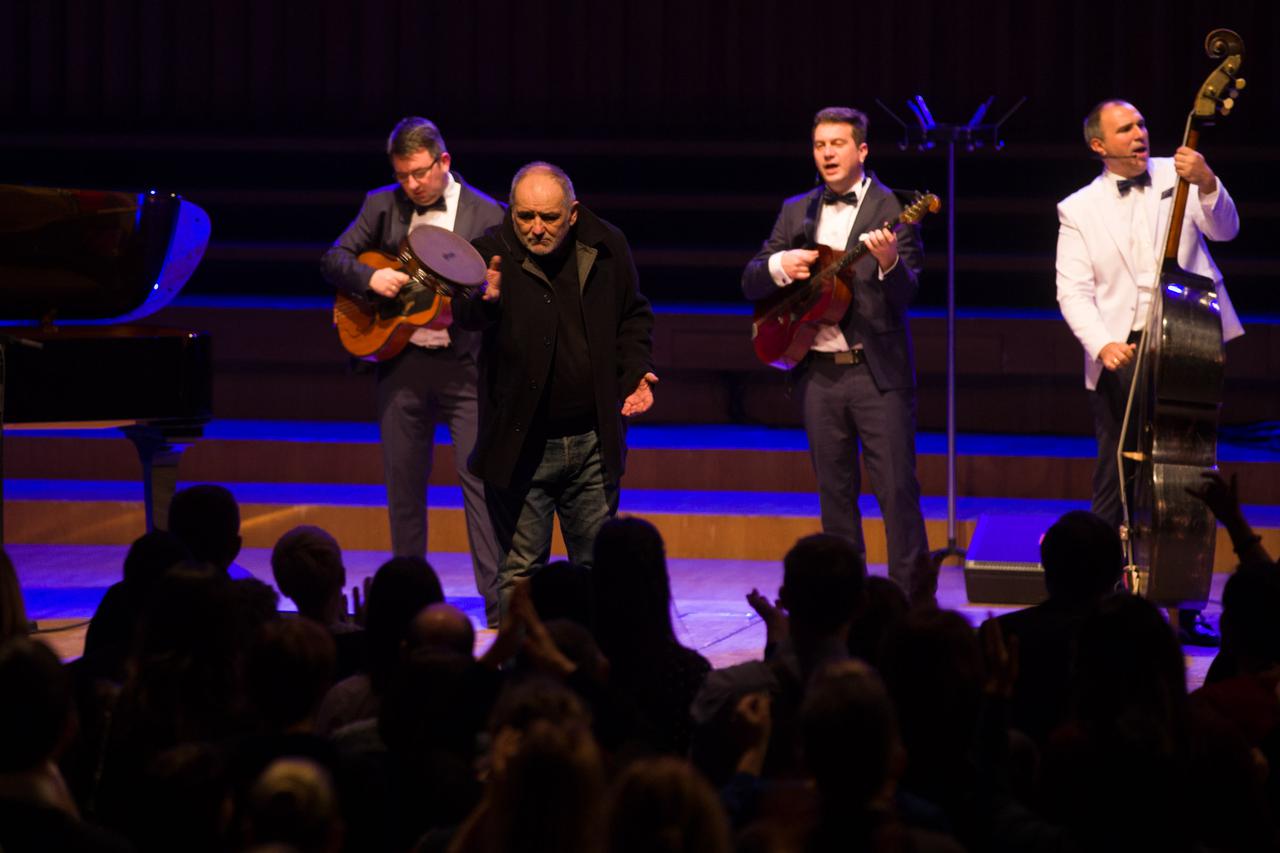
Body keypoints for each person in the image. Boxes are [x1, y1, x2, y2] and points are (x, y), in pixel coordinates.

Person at [1055, 99, 1244, 646]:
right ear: (1099, 145)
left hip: (1188, 339)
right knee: (1118, 479)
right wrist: (1102, 343)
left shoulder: (1179, 171)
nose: (1140, 134)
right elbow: (1073, 290)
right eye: (1126, 129)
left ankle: (1184, 606)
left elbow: (1226, 230)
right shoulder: (1078, 208)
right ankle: (1102, 598)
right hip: (1125, 351)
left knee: (1188, 477)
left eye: (1141, 124)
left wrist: (1207, 182)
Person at [741, 106, 934, 604]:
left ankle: (909, 605)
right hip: (818, 377)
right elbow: (752, 279)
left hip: (877, 376)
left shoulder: (894, 208)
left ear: (862, 150)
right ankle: (842, 607)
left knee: (896, 493)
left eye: (837, 144)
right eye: (819, 144)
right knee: (835, 497)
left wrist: (890, 263)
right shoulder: (795, 210)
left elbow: (908, 295)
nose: (826, 153)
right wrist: (783, 263)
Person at [320, 116, 506, 627]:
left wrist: (491, 296)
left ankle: (497, 604)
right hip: (401, 365)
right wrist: (369, 275)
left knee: (480, 485)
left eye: (420, 173)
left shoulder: (489, 213)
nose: (412, 185)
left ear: (444, 161)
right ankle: (408, 608)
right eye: (403, 175)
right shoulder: (381, 205)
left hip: (465, 370)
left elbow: (506, 296)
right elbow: (333, 259)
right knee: (403, 487)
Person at [453, 161, 656, 616]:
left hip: (591, 442)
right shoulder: (490, 251)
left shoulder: (606, 246)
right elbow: (463, 314)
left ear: (573, 213)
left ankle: (594, 676)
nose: (536, 229)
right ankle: (517, 678)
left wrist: (637, 370)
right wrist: (482, 300)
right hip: (523, 443)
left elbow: (634, 317)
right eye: (525, 217)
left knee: (597, 568)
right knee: (522, 570)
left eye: (548, 218)